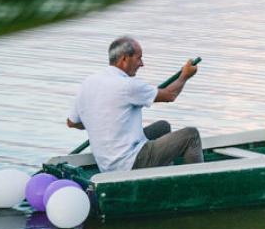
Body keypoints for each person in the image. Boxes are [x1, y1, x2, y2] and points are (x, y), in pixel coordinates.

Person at [66, 36, 201, 174]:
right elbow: (170, 95)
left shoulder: (88, 83)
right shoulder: (128, 85)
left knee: (162, 126)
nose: (142, 64)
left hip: (107, 163)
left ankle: (162, 175)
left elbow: (72, 122)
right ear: (124, 59)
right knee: (191, 135)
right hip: (131, 163)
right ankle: (197, 184)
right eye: (139, 58)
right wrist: (185, 75)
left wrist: (98, 121)